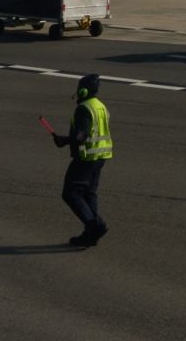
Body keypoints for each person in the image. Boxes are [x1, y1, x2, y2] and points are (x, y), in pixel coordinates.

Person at [50, 74, 113, 247]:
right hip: (100, 157)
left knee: (71, 194)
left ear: (83, 90)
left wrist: (64, 140)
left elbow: (80, 136)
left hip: (85, 158)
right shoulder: (100, 106)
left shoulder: (84, 109)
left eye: (79, 88)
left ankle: (94, 226)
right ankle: (91, 234)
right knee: (88, 193)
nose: (77, 91)